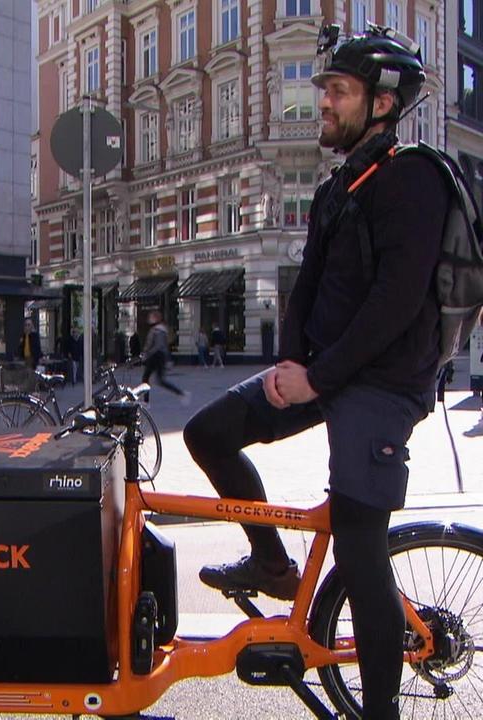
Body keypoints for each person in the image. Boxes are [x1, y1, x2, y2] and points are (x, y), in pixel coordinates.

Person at [183, 26, 444, 720]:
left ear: (382, 104)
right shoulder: (340, 183)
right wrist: (291, 362)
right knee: (208, 433)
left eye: (339, 91)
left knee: (360, 553)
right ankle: (272, 565)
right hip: (324, 370)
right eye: (324, 88)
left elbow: (396, 301)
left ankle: (380, 712)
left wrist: (319, 379)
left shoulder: (413, 178)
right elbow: (308, 285)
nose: (322, 101)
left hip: (384, 383)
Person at [141, 311, 188, 404]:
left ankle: (146, 401)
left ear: (156, 318)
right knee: (154, 379)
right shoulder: (157, 329)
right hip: (157, 356)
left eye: (151, 317)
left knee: (149, 378)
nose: (149, 319)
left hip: (156, 357)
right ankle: (180, 393)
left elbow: (158, 345)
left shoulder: (158, 330)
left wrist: (147, 354)